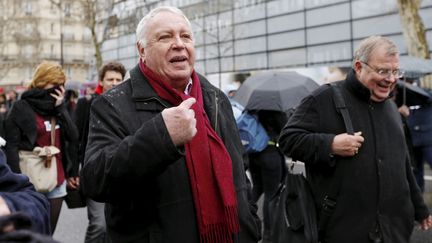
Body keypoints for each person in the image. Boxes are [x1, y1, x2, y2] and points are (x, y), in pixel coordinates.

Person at [80, 6, 261, 243]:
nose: (179, 44)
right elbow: (95, 181)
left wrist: (249, 221)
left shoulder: (215, 98)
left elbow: (239, 164)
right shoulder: (112, 104)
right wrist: (160, 137)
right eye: (165, 37)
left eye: (185, 36)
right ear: (142, 50)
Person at [278, 35, 432, 243]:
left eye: (395, 71)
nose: (392, 79)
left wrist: (420, 209)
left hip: (393, 230)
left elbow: (403, 164)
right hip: (343, 230)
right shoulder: (323, 99)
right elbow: (288, 139)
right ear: (359, 67)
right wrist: (330, 144)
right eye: (383, 71)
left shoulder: (390, 108)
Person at [4, 61, 79, 234]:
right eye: (54, 84)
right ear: (41, 82)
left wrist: (61, 109)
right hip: (29, 179)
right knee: (30, 233)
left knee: (48, 233)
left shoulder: (59, 106)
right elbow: (11, 147)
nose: (57, 89)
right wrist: (16, 182)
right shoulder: (21, 107)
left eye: (61, 85)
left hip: (56, 179)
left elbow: (73, 137)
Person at [74, 61, 126, 243]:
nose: (114, 83)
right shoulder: (86, 104)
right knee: (99, 225)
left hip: (120, 172)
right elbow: (76, 138)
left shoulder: (127, 106)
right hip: (93, 170)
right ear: (101, 82)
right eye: (110, 79)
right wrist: (75, 171)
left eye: (118, 79)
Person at [247, 110, 287, 243]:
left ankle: (246, 221)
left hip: (254, 154)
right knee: (271, 195)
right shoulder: (276, 111)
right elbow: (285, 129)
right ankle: (269, 234)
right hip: (270, 154)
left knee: (257, 188)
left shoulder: (254, 110)